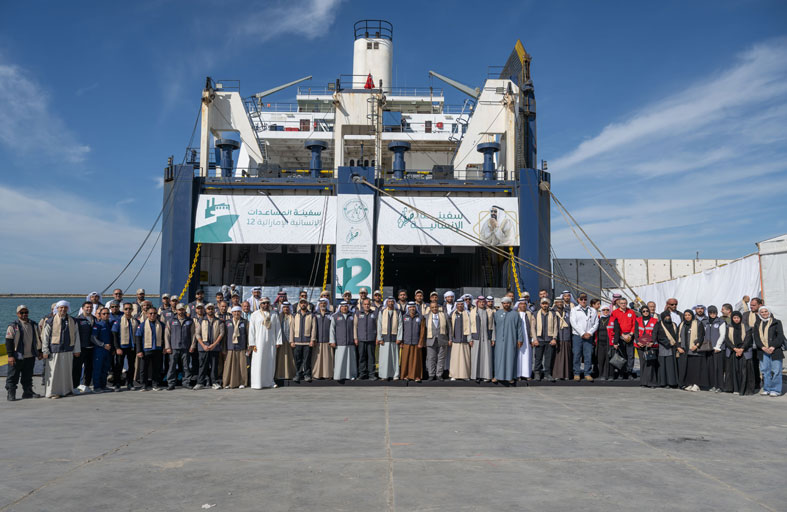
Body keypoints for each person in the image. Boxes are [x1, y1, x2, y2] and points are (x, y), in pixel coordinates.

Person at [42, 301, 81, 399]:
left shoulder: (73, 321)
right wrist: (45, 350)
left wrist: (77, 349)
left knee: (66, 372)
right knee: (54, 373)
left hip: (68, 350)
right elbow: (45, 337)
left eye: (65, 308)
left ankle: (66, 391)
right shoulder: (50, 321)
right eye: (61, 308)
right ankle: (52, 392)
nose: (63, 309)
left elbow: (76, 336)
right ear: (57, 308)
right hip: (54, 350)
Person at [5, 305, 42, 401]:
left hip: (30, 355)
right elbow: (9, 341)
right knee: (13, 376)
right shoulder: (13, 326)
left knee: (28, 376)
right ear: (17, 314)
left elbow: (38, 339)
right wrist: (10, 356)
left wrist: (39, 351)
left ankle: (27, 392)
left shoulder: (33, 324)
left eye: (26, 312)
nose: (24, 314)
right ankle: (11, 393)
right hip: (17, 356)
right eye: (22, 312)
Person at [248, 297, 282, 389]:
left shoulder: (274, 314)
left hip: (271, 342)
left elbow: (278, 328)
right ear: (260, 304)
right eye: (263, 303)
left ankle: (270, 382)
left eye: (267, 303)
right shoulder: (255, 314)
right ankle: (257, 383)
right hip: (258, 343)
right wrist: (252, 343)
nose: (265, 305)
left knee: (270, 361)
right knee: (258, 362)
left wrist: (278, 341)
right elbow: (251, 330)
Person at [752, 305, 784, 397]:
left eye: (766, 311)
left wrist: (773, 346)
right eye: (762, 312)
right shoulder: (757, 323)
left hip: (775, 350)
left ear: (769, 312)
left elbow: (780, 336)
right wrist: (762, 347)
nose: (764, 313)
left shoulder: (776, 322)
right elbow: (756, 337)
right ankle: (767, 389)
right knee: (765, 371)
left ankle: (776, 390)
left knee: (776, 371)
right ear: (759, 314)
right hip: (763, 351)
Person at [164, 303, 195, 390]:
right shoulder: (171, 321)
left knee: (186, 366)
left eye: (182, 309)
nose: (181, 311)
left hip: (186, 347)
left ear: (184, 310)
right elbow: (167, 334)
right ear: (176, 311)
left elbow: (193, 334)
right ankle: (171, 383)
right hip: (174, 347)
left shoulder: (190, 321)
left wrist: (192, 345)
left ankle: (186, 382)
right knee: (172, 366)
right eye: (179, 310)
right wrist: (167, 347)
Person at [724, 311, 755, 395]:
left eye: (738, 318)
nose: (736, 319)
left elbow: (748, 339)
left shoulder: (746, 327)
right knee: (734, 370)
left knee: (743, 371)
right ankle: (735, 388)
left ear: (740, 318)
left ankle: (743, 389)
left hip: (744, 351)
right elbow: (727, 339)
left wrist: (741, 349)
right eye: (734, 318)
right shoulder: (729, 327)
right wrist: (735, 349)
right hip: (733, 351)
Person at [135, 308, 165, 391]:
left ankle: (155, 385)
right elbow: (138, 338)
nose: (153, 315)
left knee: (156, 368)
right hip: (146, 350)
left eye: (154, 313)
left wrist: (164, 347)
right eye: (151, 313)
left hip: (158, 349)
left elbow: (164, 337)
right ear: (147, 314)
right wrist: (139, 351)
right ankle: (143, 385)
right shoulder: (142, 325)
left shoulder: (161, 325)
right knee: (143, 368)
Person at [195, 304, 224, 390]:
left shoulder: (219, 321)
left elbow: (221, 334)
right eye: (208, 309)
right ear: (206, 310)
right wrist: (203, 345)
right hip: (203, 347)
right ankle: (200, 383)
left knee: (214, 366)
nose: (210, 310)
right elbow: (197, 334)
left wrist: (214, 345)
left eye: (212, 308)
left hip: (214, 347)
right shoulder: (200, 321)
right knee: (202, 366)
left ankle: (214, 383)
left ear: (214, 310)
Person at [570, 293, 598, 382]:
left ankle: (587, 373)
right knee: (577, 354)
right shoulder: (574, 310)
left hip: (589, 336)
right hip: (578, 336)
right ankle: (576, 373)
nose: (583, 301)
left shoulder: (592, 310)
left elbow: (596, 323)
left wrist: (589, 332)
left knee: (588, 355)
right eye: (581, 299)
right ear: (578, 300)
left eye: (585, 299)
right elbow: (573, 323)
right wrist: (582, 333)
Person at [677, 309, 707, 392]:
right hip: (684, 350)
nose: (687, 317)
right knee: (688, 368)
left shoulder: (698, 323)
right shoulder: (682, 324)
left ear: (692, 316)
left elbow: (701, 336)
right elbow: (677, 336)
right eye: (685, 315)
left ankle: (696, 384)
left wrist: (696, 345)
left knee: (695, 368)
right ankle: (689, 383)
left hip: (694, 350)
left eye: (689, 315)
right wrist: (678, 347)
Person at [111, 302, 139, 391]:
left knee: (131, 366)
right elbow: (114, 335)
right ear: (123, 310)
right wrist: (117, 348)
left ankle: (130, 383)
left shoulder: (136, 321)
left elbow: (138, 335)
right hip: (121, 347)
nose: (128, 310)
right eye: (126, 309)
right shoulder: (118, 321)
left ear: (132, 310)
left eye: (130, 309)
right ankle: (117, 383)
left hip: (132, 347)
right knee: (119, 366)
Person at [532, 298, 557, 381]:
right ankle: (537, 373)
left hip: (549, 340)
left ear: (548, 304)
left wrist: (554, 338)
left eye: (546, 303)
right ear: (540, 304)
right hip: (539, 340)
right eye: (543, 303)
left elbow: (555, 327)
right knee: (538, 358)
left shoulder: (553, 314)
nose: (545, 305)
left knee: (548, 358)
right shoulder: (535, 314)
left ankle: (547, 374)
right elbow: (533, 328)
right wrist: (534, 339)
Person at [223, 306, 249, 389]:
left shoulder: (245, 322)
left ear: (241, 312)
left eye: (238, 311)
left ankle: (242, 382)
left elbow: (248, 335)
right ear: (232, 313)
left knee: (242, 366)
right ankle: (228, 383)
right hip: (230, 347)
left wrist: (248, 347)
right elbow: (225, 336)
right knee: (229, 366)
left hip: (241, 347)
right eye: (235, 312)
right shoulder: (227, 322)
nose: (236, 313)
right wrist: (224, 348)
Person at [73, 302, 96, 393]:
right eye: (87, 307)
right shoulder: (78, 320)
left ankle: (86, 385)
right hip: (81, 347)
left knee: (89, 367)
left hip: (92, 347)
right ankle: (75, 386)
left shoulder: (94, 319)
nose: (89, 309)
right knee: (77, 368)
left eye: (91, 307)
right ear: (82, 308)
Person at [290, 299, 316, 383]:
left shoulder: (311, 315)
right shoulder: (295, 315)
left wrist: (312, 340)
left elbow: (314, 329)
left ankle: (307, 375)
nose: (303, 304)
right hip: (297, 342)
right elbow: (292, 328)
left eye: (304, 303)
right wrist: (291, 341)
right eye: (301, 303)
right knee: (298, 359)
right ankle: (298, 374)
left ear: (307, 304)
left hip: (307, 342)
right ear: (299, 304)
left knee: (307, 360)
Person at [470, 296, 494, 382]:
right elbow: (469, 326)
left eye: (483, 302)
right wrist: (470, 339)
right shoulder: (472, 312)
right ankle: (475, 376)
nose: (482, 303)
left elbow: (493, 326)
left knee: (486, 357)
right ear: (477, 303)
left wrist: (493, 338)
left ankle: (486, 376)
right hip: (476, 338)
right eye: (480, 302)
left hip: (487, 337)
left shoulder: (489, 312)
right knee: (475, 357)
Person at [331, 301, 357, 382]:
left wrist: (355, 338)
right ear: (340, 307)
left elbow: (355, 327)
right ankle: (339, 376)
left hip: (350, 342)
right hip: (340, 342)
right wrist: (332, 340)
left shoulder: (352, 315)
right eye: (342, 306)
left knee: (350, 361)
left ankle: (351, 375)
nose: (344, 308)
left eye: (346, 306)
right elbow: (332, 330)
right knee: (340, 361)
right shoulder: (335, 316)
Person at [611, 299, 637, 380]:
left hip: (630, 335)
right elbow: (614, 326)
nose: (623, 304)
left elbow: (634, 324)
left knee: (630, 355)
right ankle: (621, 372)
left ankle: (629, 372)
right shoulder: (614, 313)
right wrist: (622, 335)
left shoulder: (631, 312)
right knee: (621, 355)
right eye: (622, 303)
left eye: (625, 303)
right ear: (619, 304)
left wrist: (631, 334)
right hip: (620, 336)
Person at [377, 297, 402, 380]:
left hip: (394, 339)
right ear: (386, 303)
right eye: (389, 302)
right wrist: (379, 338)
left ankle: (395, 375)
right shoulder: (382, 312)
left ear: (394, 303)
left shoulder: (398, 312)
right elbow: (379, 325)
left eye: (392, 302)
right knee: (384, 359)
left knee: (394, 359)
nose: (390, 303)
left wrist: (399, 338)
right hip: (384, 339)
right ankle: (384, 375)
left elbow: (400, 326)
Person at [399, 302, 425, 382]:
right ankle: (405, 375)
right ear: (408, 308)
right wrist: (401, 341)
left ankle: (416, 376)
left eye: (413, 307)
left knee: (416, 361)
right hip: (406, 342)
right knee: (405, 360)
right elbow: (401, 330)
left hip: (416, 342)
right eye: (410, 307)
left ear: (415, 308)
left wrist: (421, 341)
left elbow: (422, 330)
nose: (412, 308)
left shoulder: (420, 317)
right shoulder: (404, 317)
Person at [90, 307, 114, 393]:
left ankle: (103, 385)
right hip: (99, 350)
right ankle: (97, 387)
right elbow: (93, 338)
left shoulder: (109, 324)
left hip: (108, 351)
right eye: (104, 314)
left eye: (107, 313)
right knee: (98, 369)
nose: (106, 315)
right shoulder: (98, 325)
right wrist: (103, 345)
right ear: (100, 315)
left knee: (105, 369)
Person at [424, 301, 449, 380]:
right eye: (432, 307)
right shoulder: (426, 317)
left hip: (442, 339)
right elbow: (423, 330)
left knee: (441, 358)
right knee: (431, 358)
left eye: (435, 307)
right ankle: (431, 374)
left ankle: (439, 374)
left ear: (438, 307)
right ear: (430, 308)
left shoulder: (444, 315)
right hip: (430, 340)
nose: (434, 308)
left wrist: (450, 339)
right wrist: (424, 341)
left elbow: (449, 328)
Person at [635, 305, 659, 388]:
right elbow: (636, 332)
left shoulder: (654, 320)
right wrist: (638, 342)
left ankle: (651, 383)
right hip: (640, 345)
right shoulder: (638, 320)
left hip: (650, 345)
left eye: (647, 311)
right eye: (644, 311)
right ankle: (643, 382)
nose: (645, 312)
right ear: (641, 312)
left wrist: (652, 342)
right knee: (643, 363)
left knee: (650, 364)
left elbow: (655, 332)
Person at [354, 298, 378, 380]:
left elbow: (378, 326)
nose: (367, 306)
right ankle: (362, 374)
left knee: (371, 357)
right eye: (365, 304)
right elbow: (355, 326)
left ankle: (371, 374)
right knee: (361, 357)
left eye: (368, 304)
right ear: (362, 305)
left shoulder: (374, 313)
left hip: (371, 339)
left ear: (370, 305)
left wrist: (377, 337)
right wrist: (355, 338)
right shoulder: (358, 313)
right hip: (361, 339)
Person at [705, 306, 727, 393]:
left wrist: (718, 346)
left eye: (714, 313)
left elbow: (722, 335)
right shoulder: (706, 322)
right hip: (708, 349)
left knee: (719, 368)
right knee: (711, 368)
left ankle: (720, 386)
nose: (712, 314)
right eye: (711, 313)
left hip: (718, 349)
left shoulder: (721, 322)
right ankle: (713, 385)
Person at [448, 300, 471, 381]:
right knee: (455, 359)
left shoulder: (468, 313)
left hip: (465, 340)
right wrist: (450, 339)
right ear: (456, 305)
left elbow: (471, 327)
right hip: (455, 340)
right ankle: (454, 375)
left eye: (461, 304)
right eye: (458, 304)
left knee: (465, 359)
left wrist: (470, 339)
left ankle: (465, 375)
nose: (460, 306)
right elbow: (450, 328)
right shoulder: (452, 314)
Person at [312, 299, 334, 379]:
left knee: (327, 360)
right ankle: (316, 375)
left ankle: (327, 375)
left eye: (324, 303)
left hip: (328, 341)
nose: (322, 305)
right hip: (317, 341)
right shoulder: (314, 314)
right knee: (317, 360)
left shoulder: (331, 314)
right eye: (321, 303)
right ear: (319, 304)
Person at [551, 298, 573, 380]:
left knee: (567, 356)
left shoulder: (568, 311)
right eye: (558, 302)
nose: (560, 303)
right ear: (555, 303)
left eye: (561, 302)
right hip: (557, 337)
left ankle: (566, 374)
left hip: (566, 336)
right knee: (557, 357)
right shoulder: (552, 312)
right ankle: (557, 374)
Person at [275, 301, 296, 381]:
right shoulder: (278, 316)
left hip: (290, 341)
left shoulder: (292, 317)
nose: (286, 309)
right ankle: (280, 374)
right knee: (280, 358)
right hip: (281, 341)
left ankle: (289, 374)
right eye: (284, 307)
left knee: (290, 358)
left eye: (287, 307)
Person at [513, 298, 532, 381]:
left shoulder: (529, 314)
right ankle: (518, 374)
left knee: (527, 356)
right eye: (521, 304)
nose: (523, 305)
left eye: (524, 304)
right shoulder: (515, 314)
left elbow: (533, 327)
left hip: (527, 339)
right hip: (517, 339)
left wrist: (532, 339)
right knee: (518, 356)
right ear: (518, 305)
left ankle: (526, 374)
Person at [596, 305, 612, 380]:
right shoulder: (598, 319)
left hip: (608, 342)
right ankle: (600, 374)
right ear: (601, 311)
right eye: (604, 310)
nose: (605, 311)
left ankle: (606, 375)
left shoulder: (611, 319)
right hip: (600, 342)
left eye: (607, 310)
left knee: (607, 359)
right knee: (600, 359)